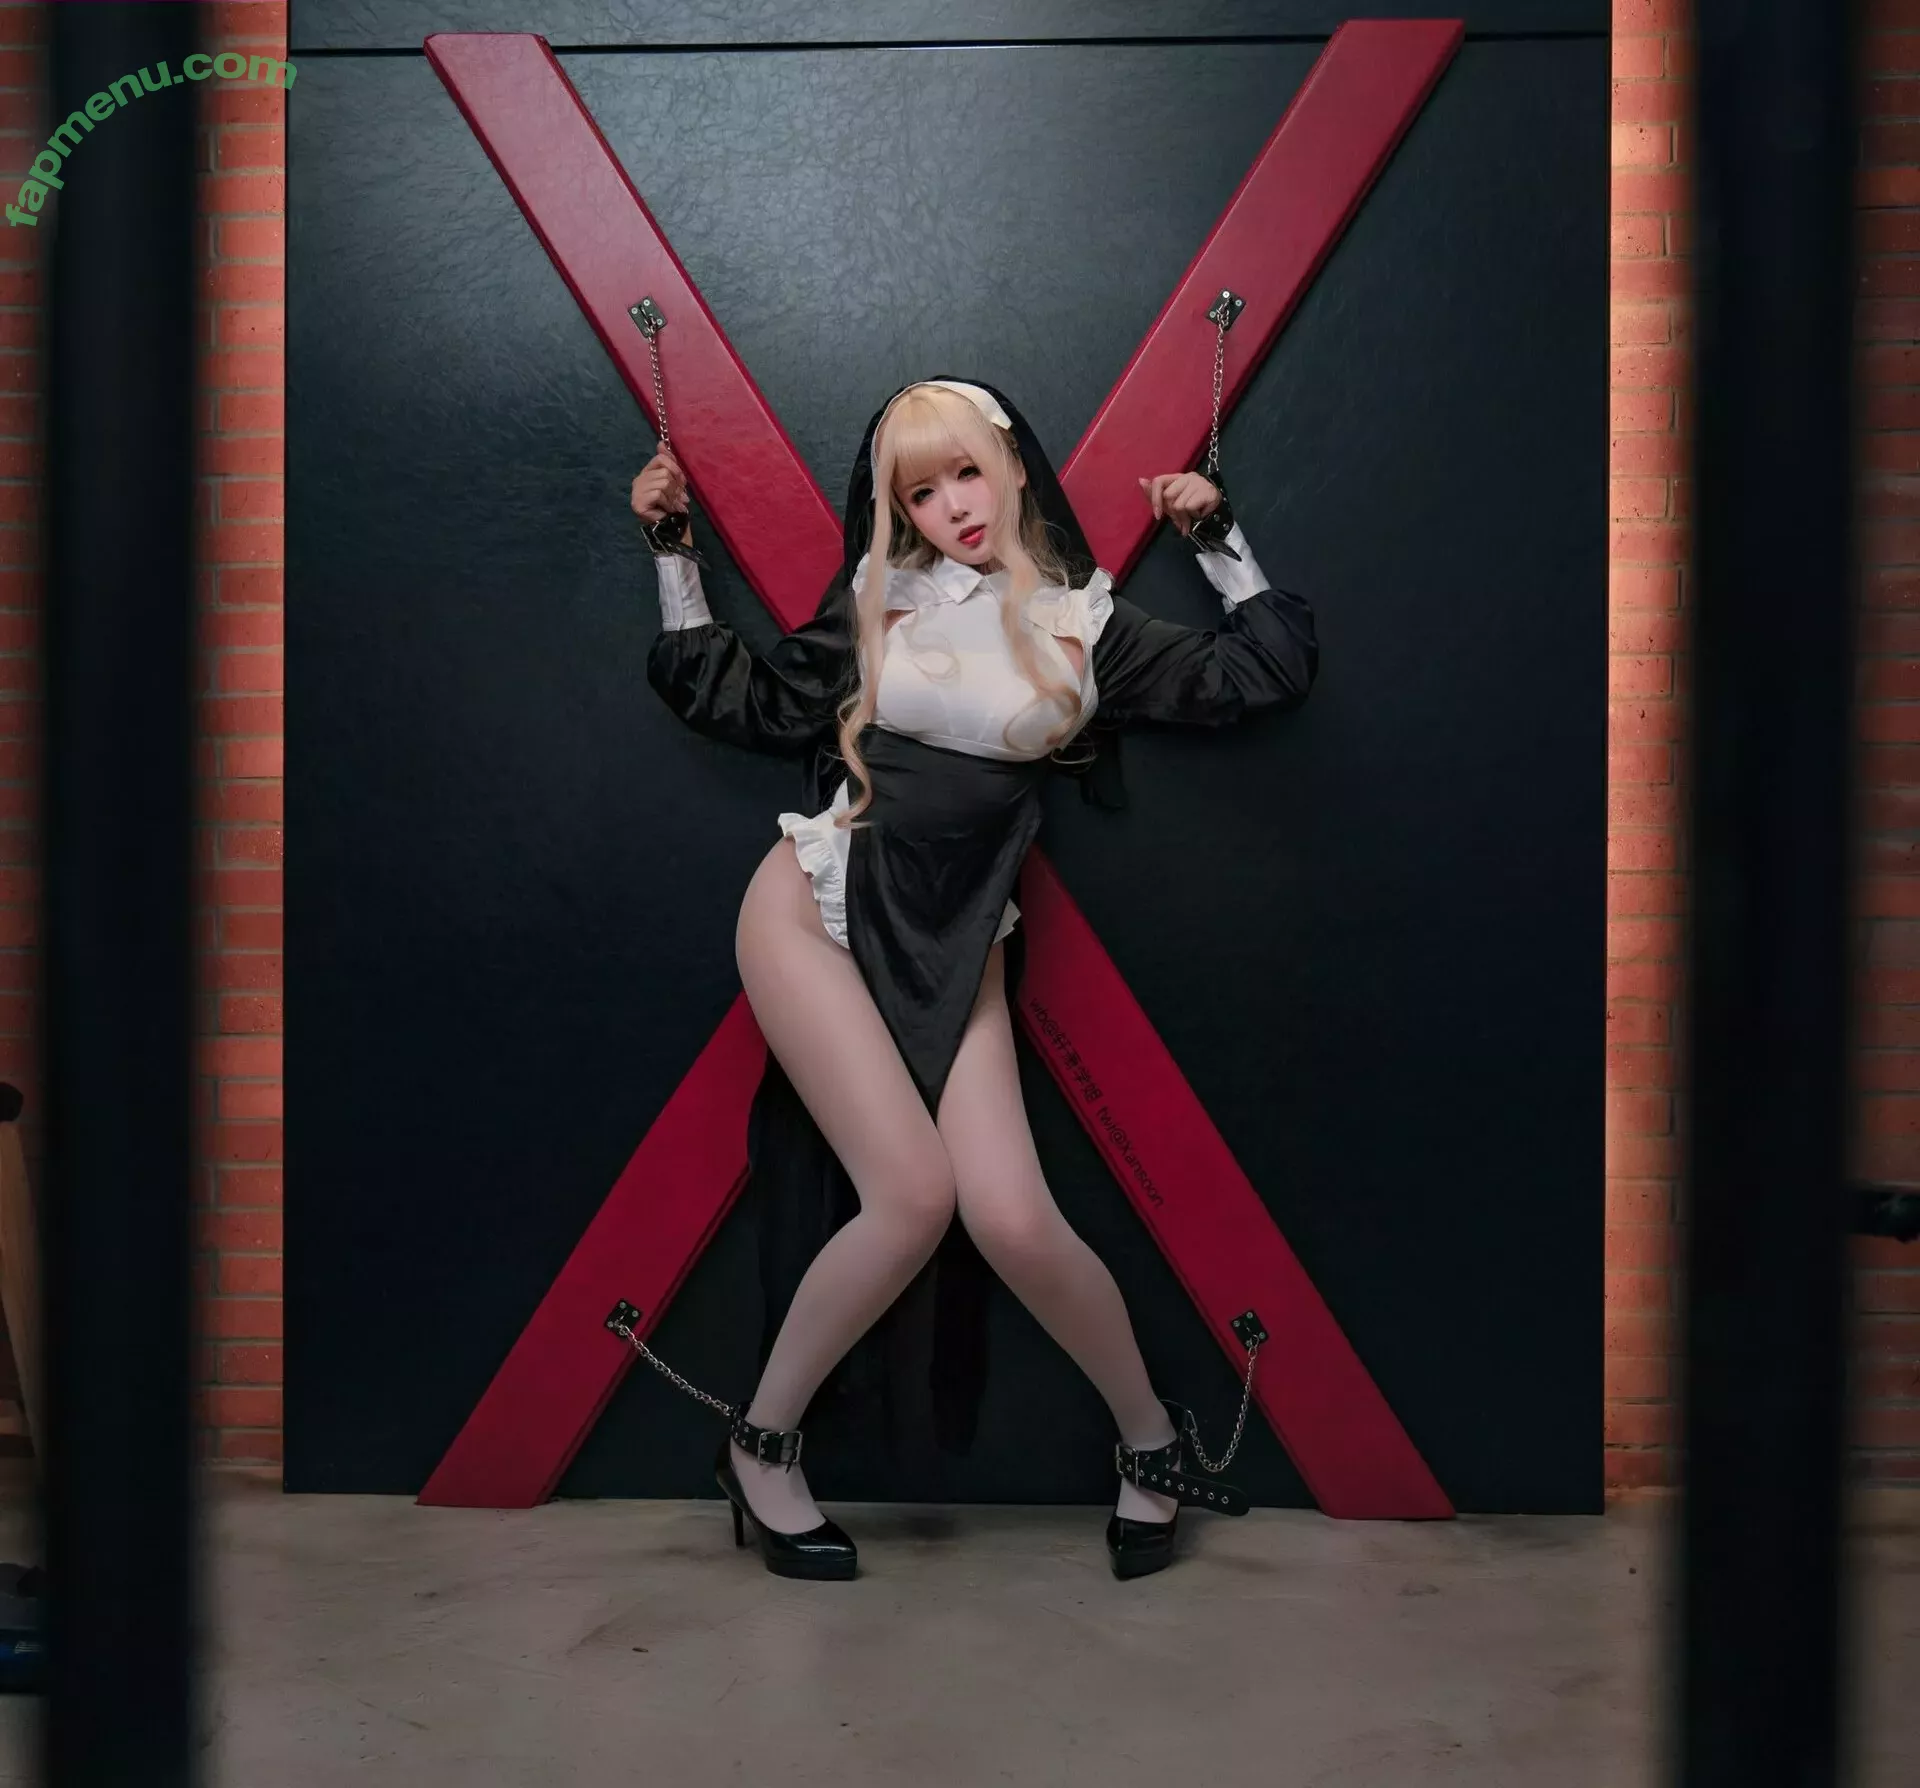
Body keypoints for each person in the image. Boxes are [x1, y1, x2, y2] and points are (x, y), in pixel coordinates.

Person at [633, 377, 1317, 1581]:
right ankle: (760, 1445)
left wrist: (1215, 533)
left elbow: (1263, 671)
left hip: (959, 941)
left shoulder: (1085, 624)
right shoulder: (878, 600)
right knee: (910, 1199)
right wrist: (672, 549)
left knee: (1011, 1216)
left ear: (1010, 467)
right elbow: (742, 697)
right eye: (920, 492)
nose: (952, 506)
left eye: (964, 473)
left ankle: (1153, 1446)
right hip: (815, 914)